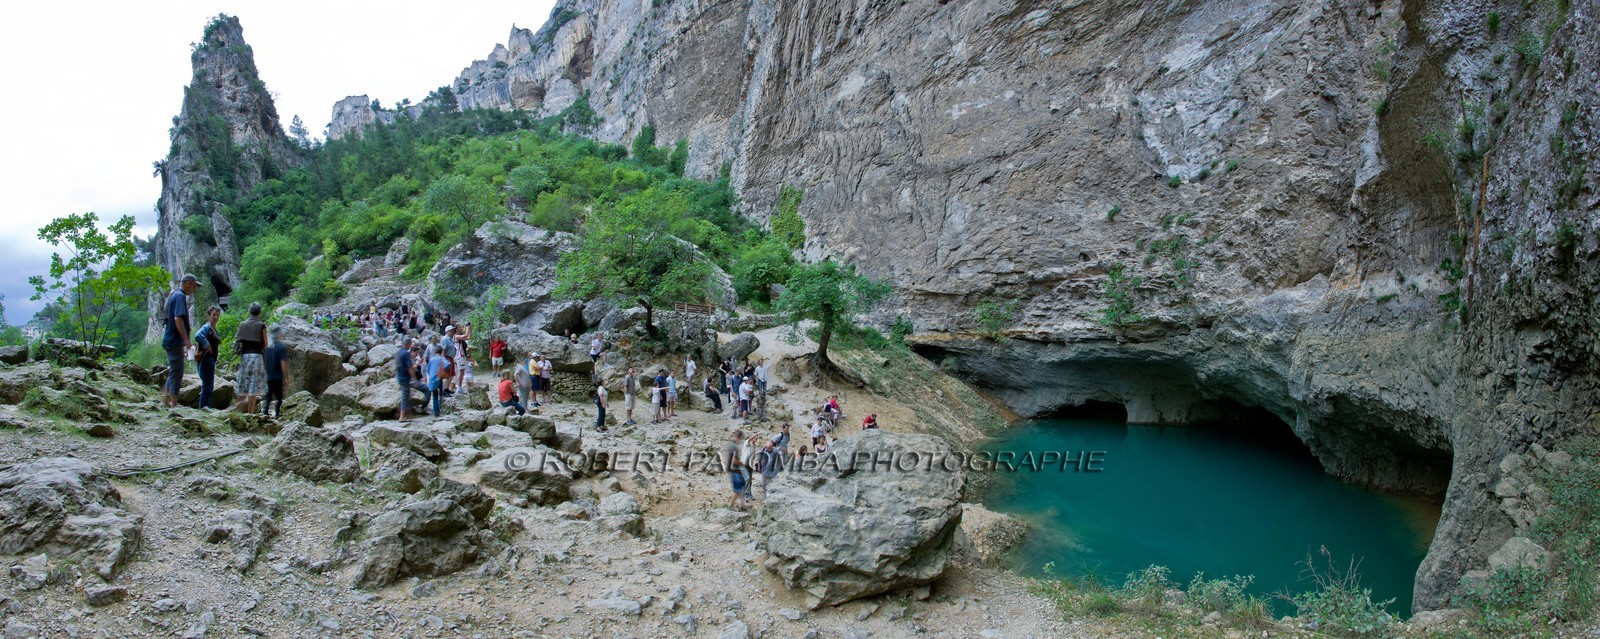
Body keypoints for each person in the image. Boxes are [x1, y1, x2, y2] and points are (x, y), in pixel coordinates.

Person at [161, 274, 200, 409]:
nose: (194, 289)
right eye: (194, 286)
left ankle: (165, 397)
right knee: (178, 371)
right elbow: (178, 319)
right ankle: (173, 403)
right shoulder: (180, 296)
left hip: (171, 340)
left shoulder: (174, 294)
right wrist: (187, 341)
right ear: (188, 283)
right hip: (174, 340)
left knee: (174, 370)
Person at [234, 302, 268, 415]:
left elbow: (238, 341)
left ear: (249, 311)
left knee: (243, 384)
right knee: (253, 387)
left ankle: (237, 412)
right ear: (259, 312)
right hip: (257, 357)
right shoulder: (262, 325)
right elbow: (266, 344)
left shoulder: (242, 324)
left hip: (245, 357)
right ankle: (250, 413)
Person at [193, 305, 221, 410]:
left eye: (217, 315)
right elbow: (198, 335)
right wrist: (207, 345)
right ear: (208, 316)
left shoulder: (213, 329)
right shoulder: (207, 327)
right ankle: (204, 409)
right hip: (206, 359)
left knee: (209, 386)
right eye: (213, 315)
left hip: (210, 360)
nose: (215, 317)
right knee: (207, 386)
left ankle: (207, 408)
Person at [262, 325, 289, 418]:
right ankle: (277, 414)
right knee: (279, 397)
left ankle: (265, 413)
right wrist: (286, 377)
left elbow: (264, 361)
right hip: (277, 376)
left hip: (268, 375)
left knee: (268, 396)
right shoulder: (281, 347)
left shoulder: (268, 347)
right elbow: (283, 363)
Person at [724, 429, 749, 510]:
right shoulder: (733, 446)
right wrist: (743, 463)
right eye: (741, 438)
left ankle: (742, 505)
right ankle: (729, 505)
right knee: (737, 489)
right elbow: (733, 460)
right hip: (735, 469)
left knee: (741, 487)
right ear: (739, 437)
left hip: (734, 469)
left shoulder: (730, 444)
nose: (740, 440)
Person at [395, 338, 415, 422]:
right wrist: (414, 378)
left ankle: (403, 414)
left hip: (399, 376)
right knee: (405, 396)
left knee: (405, 395)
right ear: (408, 344)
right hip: (405, 377)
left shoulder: (398, 352)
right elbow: (409, 367)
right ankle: (402, 416)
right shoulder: (406, 353)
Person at [427, 346, 450, 417]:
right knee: (441, 394)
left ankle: (436, 412)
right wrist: (443, 370)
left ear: (435, 352)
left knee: (435, 395)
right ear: (441, 352)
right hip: (439, 378)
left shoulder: (431, 359)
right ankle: (440, 408)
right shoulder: (441, 358)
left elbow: (428, 370)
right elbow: (448, 364)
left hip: (432, 379)